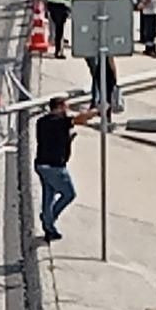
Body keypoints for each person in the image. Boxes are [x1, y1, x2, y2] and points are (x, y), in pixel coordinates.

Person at [34, 96, 99, 242]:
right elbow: (80, 119)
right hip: (55, 167)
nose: (67, 110)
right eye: (65, 107)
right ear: (59, 107)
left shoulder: (42, 122)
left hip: (41, 164)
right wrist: (96, 110)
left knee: (48, 195)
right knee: (68, 194)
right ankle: (48, 218)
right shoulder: (60, 122)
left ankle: (49, 227)